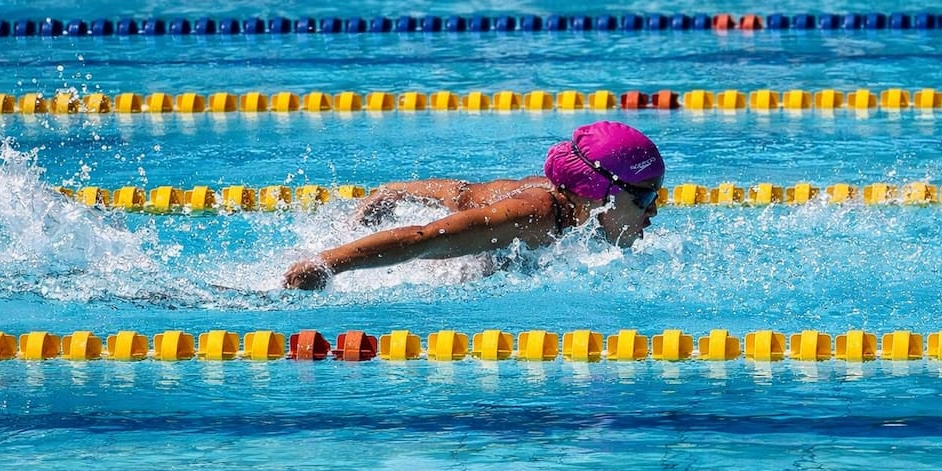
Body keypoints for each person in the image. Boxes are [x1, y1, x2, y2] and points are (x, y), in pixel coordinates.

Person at [283, 121, 665, 289]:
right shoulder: (529, 216)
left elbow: (462, 193)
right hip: (437, 272)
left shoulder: (574, 211)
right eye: (646, 196)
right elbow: (423, 237)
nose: (654, 211)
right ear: (598, 191)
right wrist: (326, 265)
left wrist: (394, 192)